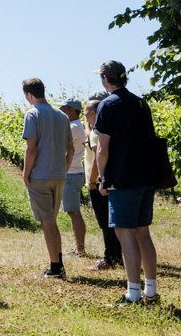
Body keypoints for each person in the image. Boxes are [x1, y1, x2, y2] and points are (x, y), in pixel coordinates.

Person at [92, 60, 160, 305]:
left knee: (125, 233)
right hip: (146, 176)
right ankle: (151, 290)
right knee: (143, 232)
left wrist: (102, 178)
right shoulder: (141, 103)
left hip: (123, 177)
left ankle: (132, 292)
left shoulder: (108, 105)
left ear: (106, 79)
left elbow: (102, 148)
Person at [21, 78, 73, 279]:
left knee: (47, 222)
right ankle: (57, 263)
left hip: (40, 176)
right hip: (58, 175)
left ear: (29, 95)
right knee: (52, 220)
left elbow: (31, 149)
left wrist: (26, 174)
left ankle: (56, 267)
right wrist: (64, 170)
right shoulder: (62, 116)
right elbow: (71, 148)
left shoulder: (32, 114)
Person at [83, 97, 122, 270]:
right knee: (112, 221)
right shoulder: (104, 129)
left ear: (93, 113)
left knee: (105, 222)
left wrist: (92, 181)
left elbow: (96, 159)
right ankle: (118, 256)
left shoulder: (96, 133)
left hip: (99, 182)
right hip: (111, 181)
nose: (83, 114)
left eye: (86, 111)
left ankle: (110, 258)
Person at [60, 99, 89, 258]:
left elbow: (60, 146)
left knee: (74, 212)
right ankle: (79, 248)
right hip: (73, 173)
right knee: (73, 211)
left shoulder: (73, 128)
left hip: (71, 173)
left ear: (72, 110)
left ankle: (80, 249)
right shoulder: (77, 126)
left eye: (63, 108)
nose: (61, 111)